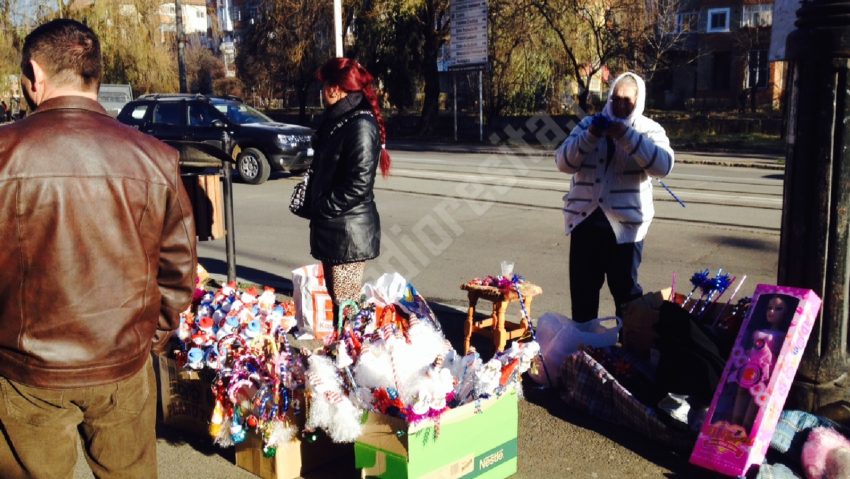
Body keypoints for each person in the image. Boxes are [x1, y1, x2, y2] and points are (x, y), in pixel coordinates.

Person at [0, 19, 197, 478]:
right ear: (96, 76)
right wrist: (152, 336)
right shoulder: (155, 157)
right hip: (123, 364)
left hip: (27, 371)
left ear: (35, 74)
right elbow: (178, 269)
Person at [555, 72, 674, 322]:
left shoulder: (649, 129)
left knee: (627, 297)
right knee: (583, 296)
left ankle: (627, 352)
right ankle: (585, 350)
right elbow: (563, 162)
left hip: (626, 229)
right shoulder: (589, 124)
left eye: (627, 101)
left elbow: (663, 166)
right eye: (616, 99)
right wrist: (591, 137)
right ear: (609, 98)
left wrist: (625, 136)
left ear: (638, 101)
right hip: (584, 222)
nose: (620, 105)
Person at [300, 58, 390, 311]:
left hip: (348, 232)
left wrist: (322, 207)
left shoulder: (359, 124)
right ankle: (344, 347)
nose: (321, 91)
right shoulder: (338, 120)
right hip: (336, 227)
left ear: (335, 88)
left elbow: (358, 184)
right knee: (339, 300)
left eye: (324, 84)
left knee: (347, 306)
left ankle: (350, 349)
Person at [723, 294, 796, 433]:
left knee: (755, 402)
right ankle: (733, 427)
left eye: (778, 309)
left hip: (766, 371)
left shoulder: (782, 335)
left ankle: (747, 430)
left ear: (786, 313)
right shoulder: (759, 330)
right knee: (741, 395)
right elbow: (751, 348)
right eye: (769, 308)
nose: (772, 312)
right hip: (749, 368)